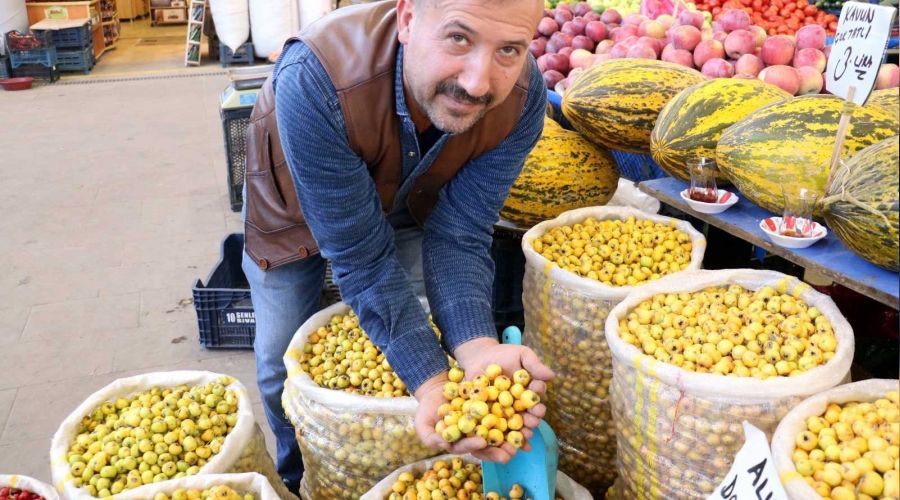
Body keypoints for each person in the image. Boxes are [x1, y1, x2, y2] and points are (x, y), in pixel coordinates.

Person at [240, 0, 552, 492]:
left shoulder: (523, 100)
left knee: (419, 319)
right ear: (408, 20)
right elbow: (361, 260)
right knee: (279, 359)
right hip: (290, 210)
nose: (477, 83)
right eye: (459, 38)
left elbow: (462, 232)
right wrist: (431, 379)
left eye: (509, 50)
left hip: (414, 191)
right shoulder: (316, 77)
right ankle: (295, 474)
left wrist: (474, 348)